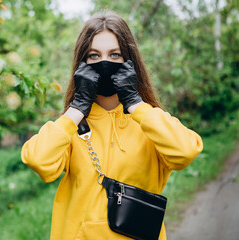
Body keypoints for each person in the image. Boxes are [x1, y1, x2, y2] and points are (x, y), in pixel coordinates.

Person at [21, 11, 203, 240]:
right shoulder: (71, 126)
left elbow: (185, 151)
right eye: (94, 56)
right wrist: (77, 109)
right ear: (82, 65)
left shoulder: (150, 122)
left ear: (129, 62)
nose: (104, 63)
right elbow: (38, 160)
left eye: (114, 54)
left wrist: (135, 103)